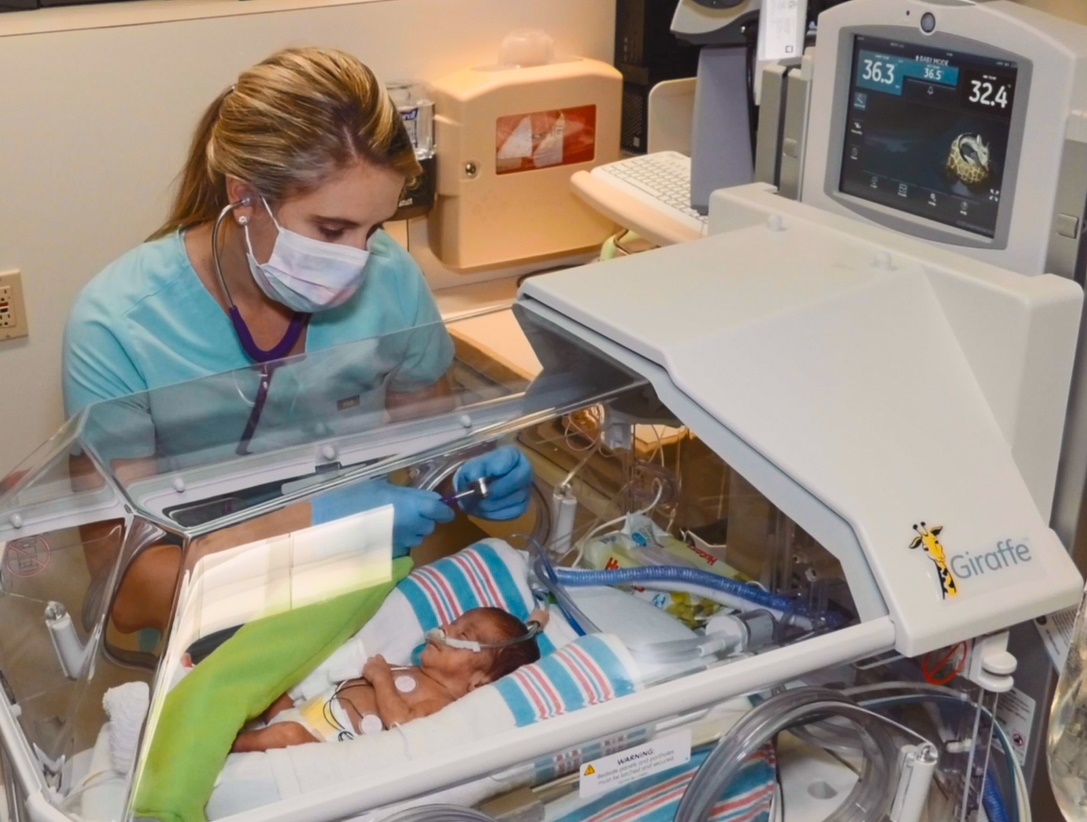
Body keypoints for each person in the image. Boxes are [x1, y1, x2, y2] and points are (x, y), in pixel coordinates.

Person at [61, 46, 534, 634]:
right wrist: (312, 528)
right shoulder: (119, 326)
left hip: (370, 603)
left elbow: (430, 444)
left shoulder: (390, 281)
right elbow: (130, 591)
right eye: (332, 229)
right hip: (214, 625)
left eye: (375, 229)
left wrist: (467, 473)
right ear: (244, 197)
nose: (358, 259)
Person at [231, 607, 545, 752]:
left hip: (318, 744)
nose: (446, 629)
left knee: (285, 735)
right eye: (452, 622)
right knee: (269, 684)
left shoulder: (441, 704)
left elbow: (402, 724)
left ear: (478, 682)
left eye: (462, 634)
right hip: (301, 713)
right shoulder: (408, 669)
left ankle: (226, 750)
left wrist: (382, 680)